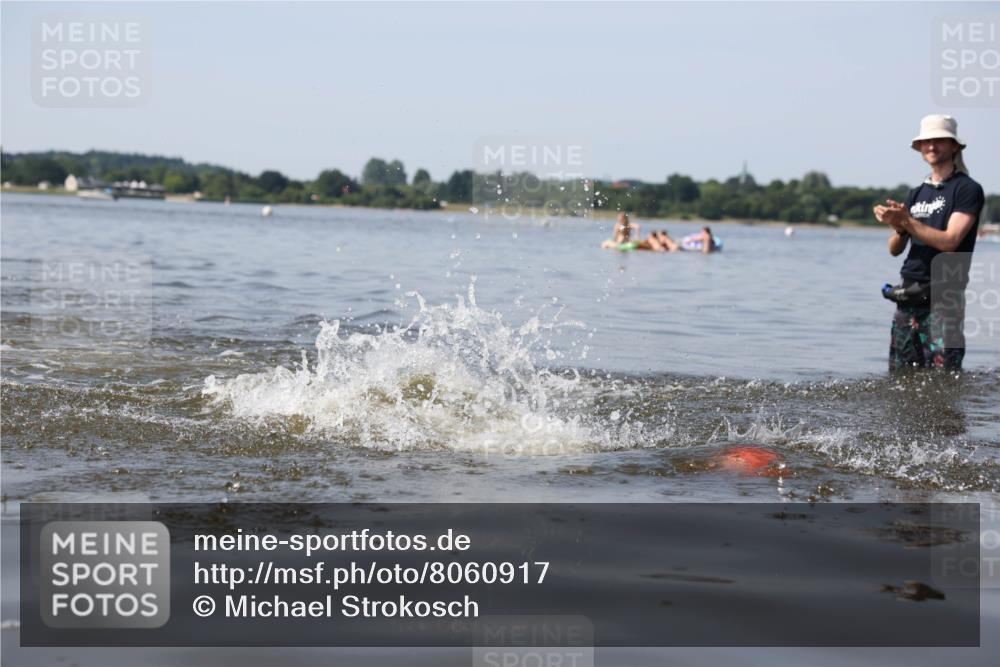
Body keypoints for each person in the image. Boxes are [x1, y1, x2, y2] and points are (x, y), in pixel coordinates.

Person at [873, 114, 984, 371]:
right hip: (908, 294)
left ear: (954, 146)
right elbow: (894, 250)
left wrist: (908, 221)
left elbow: (950, 241)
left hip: (944, 298)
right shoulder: (916, 193)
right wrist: (899, 227)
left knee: (945, 378)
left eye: (939, 141)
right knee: (900, 377)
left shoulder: (967, 189)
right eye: (927, 141)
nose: (932, 146)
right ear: (920, 148)